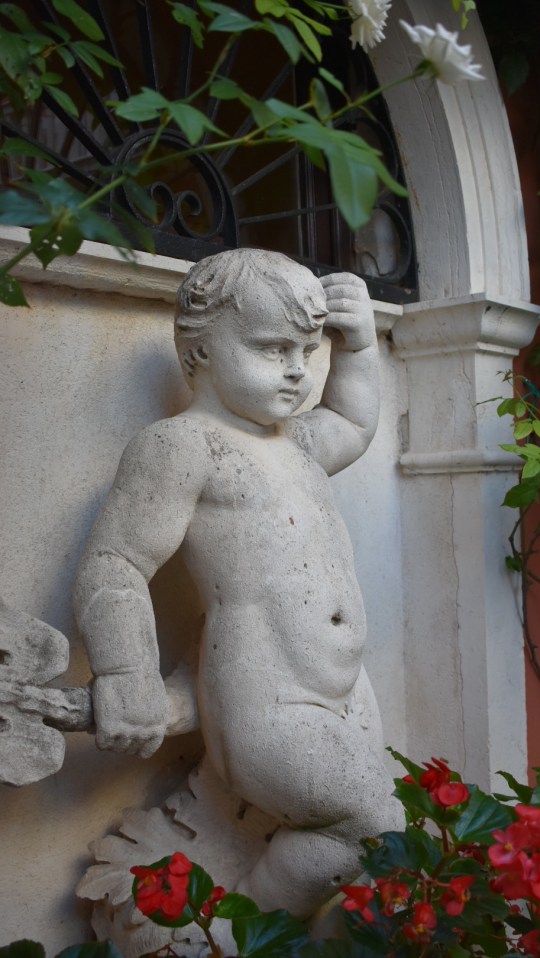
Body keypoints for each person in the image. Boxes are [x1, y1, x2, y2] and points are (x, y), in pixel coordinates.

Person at [73, 248, 403, 918]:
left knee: (353, 846)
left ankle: (264, 932)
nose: (296, 369)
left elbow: (353, 423)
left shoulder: (297, 443)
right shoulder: (183, 447)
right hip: (265, 694)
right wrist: (125, 670)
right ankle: (233, 938)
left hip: (346, 690)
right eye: (272, 348)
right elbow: (116, 562)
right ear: (198, 350)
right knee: (375, 821)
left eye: (306, 351)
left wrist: (359, 348)